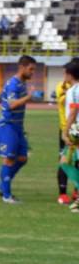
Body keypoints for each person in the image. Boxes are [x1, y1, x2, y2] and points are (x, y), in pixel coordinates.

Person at [0, 55, 37, 204]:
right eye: (31, 69)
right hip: (8, 125)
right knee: (9, 159)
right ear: (22, 67)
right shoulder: (13, 84)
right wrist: (28, 97)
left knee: (23, 158)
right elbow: (12, 105)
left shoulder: (22, 83)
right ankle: (6, 195)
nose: (32, 72)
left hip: (18, 127)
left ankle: (2, 186)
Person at [57, 59, 79, 205]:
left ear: (70, 74)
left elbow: (73, 112)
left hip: (75, 130)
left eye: (65, 73)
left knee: (64, 162)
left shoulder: (74, 91)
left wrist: (65, 132)